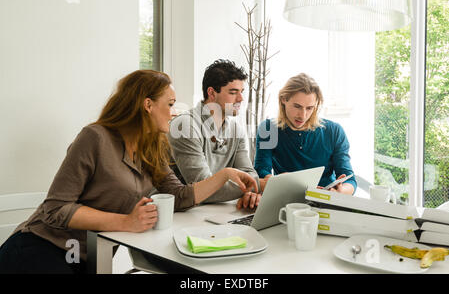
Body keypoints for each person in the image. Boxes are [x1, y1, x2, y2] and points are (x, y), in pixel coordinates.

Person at [0, 70, 257, 274]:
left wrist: (225, 174)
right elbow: (56, 209)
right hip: (40, 247)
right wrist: (125, 222)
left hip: (91, 256)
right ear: (147, 105)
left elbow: (178, 196)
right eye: (169, 104)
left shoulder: (152, 144)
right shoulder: (95, 138)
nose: (174, 112)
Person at [168, 59, 267, 208]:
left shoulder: (236, 130)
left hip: (221, 211)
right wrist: (259, 185)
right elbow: (201, 188)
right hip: (185, 214)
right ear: (212, 93)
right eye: (233, 92)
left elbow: (249, 175)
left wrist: (251, 191)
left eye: (241, 92)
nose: (241, 99)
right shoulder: (185, 126)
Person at [254, 73, 357, 195]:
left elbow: (349, 179)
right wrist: (277, 181)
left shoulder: (334, 131)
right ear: (283, 99)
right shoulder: (268, 128)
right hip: (285, 197)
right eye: (297, 106)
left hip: (325, 200)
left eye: (309, 108)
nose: (303, 115)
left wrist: (341, 192)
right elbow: (262, 171)